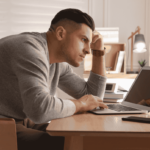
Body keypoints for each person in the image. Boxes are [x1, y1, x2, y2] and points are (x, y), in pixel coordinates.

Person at [0, 8, 108, 150]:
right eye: (83, 40)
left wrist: (99, 53)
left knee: (81, 137)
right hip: (4, 124)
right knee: (73, 144)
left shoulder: (56, 62)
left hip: (21, 120)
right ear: (60, 33)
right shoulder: (29, 49)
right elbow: (39, 109)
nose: (88, 50)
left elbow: (94, 97)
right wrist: (80, 104)